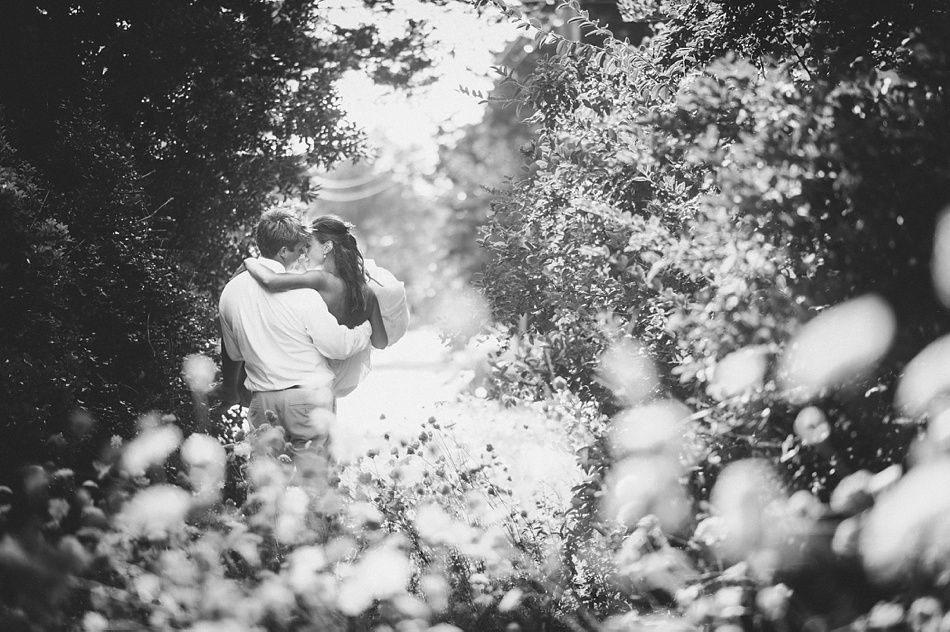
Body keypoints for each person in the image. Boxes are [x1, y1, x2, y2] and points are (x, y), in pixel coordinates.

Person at [218, 209, 372, 452]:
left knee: (267, 486)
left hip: (262, 402)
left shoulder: (230, 292)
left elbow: (235, 354)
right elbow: (338, 346)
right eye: (299, 247)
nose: (303, 251)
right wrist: (365, 331)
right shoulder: (303, 294)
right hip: (308, 401)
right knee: (313, 484)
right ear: (283, 252)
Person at [243, 215, 409, 399]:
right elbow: (380, 342)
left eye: (308, 246)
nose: (304, 253)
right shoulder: (366, 292)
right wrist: (365, 326)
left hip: (303, 377)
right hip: (335, 378)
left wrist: (250, 262)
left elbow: (271, 281)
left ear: (327, 247)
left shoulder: (320, 280)